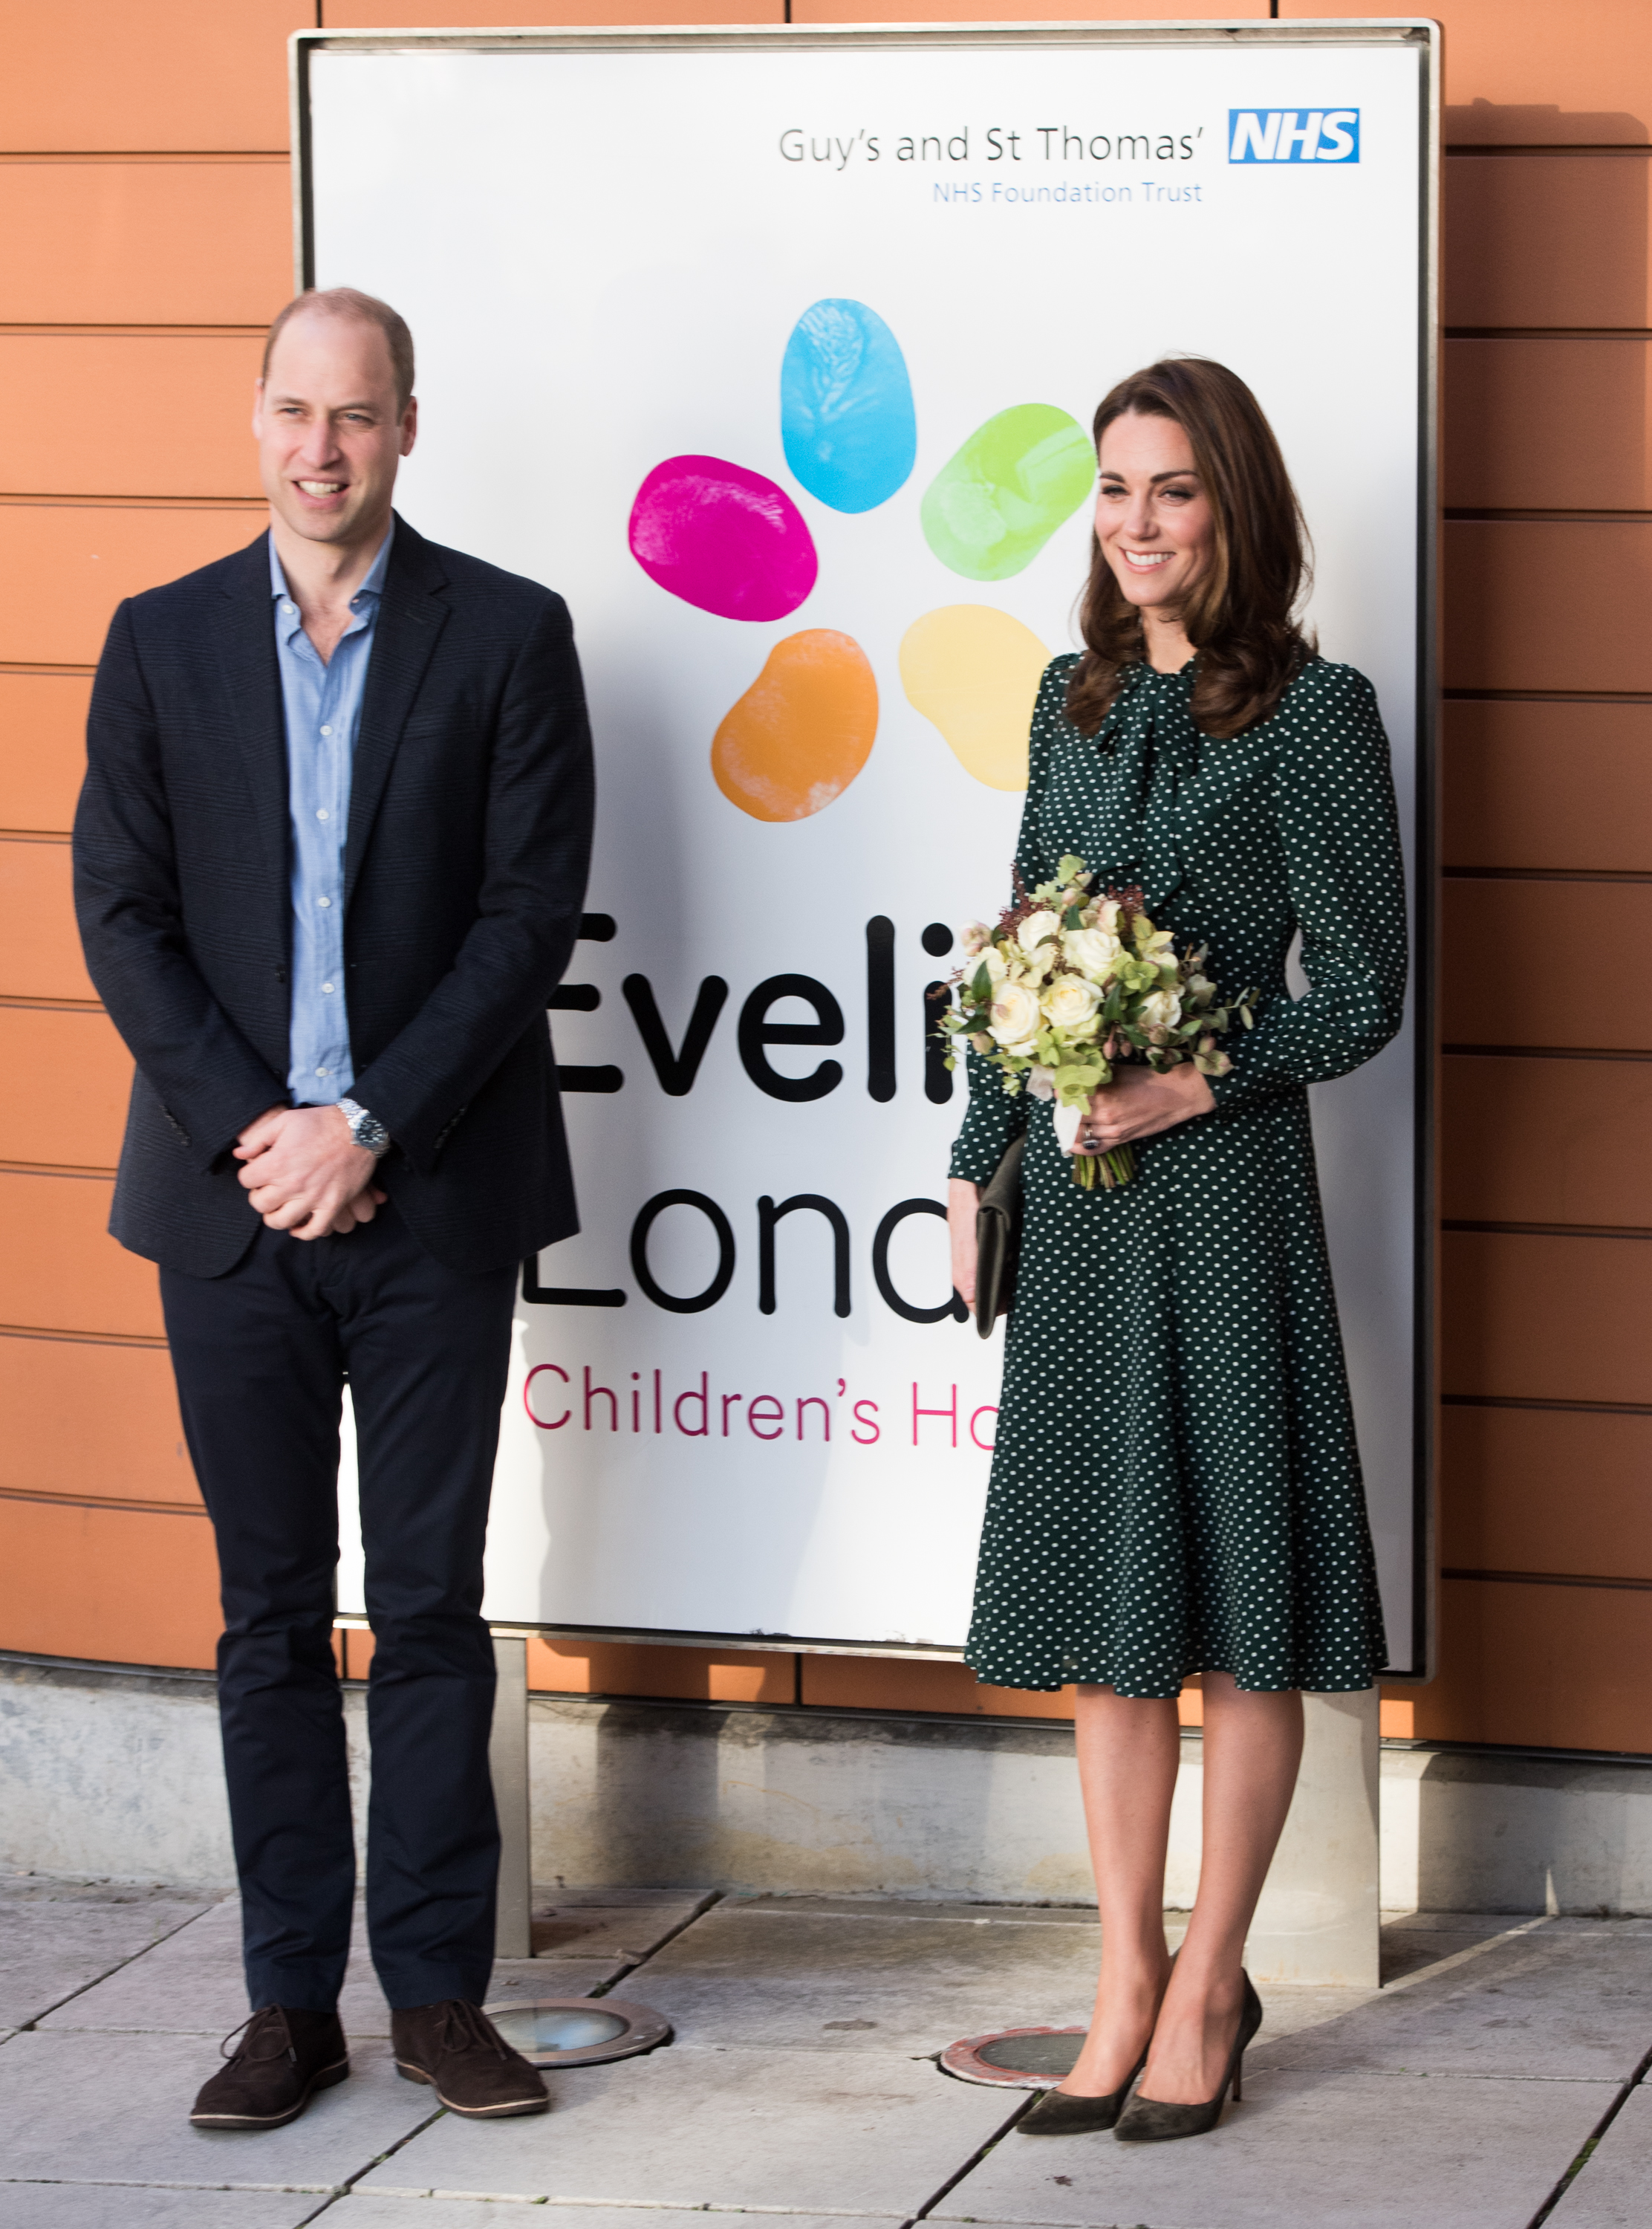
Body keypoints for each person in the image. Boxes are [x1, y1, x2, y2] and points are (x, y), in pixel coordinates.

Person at [74, 288, 594, 2129]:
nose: (321, 447)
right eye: (293, 411)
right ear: (256, 421)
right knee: (265, 1614)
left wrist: (366, 1122)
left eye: (355, 416)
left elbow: (527, 918)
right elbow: (119, 920)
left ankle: (439, 1994)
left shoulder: (511, 636)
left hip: (432, 1195)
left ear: (407, 428)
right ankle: (288, 2002)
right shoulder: (155, 645)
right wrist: (266, 1135)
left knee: (437, 1607)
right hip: (230, 1217)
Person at [946, 357, 1405, 2143]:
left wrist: (1190, 1085)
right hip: (1073, 1217)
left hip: (1218, 1212)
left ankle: (1211, 1981)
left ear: (1235, 510)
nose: (1136, 525)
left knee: (1235, 1621)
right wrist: (975, 1168)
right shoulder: (1069, 706)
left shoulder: (1310, 712)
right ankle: (1119, 1979)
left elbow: (1359, 989)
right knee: (1103, 1621)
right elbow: (1013, 966)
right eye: (1114, 492)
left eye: (1173, 492)